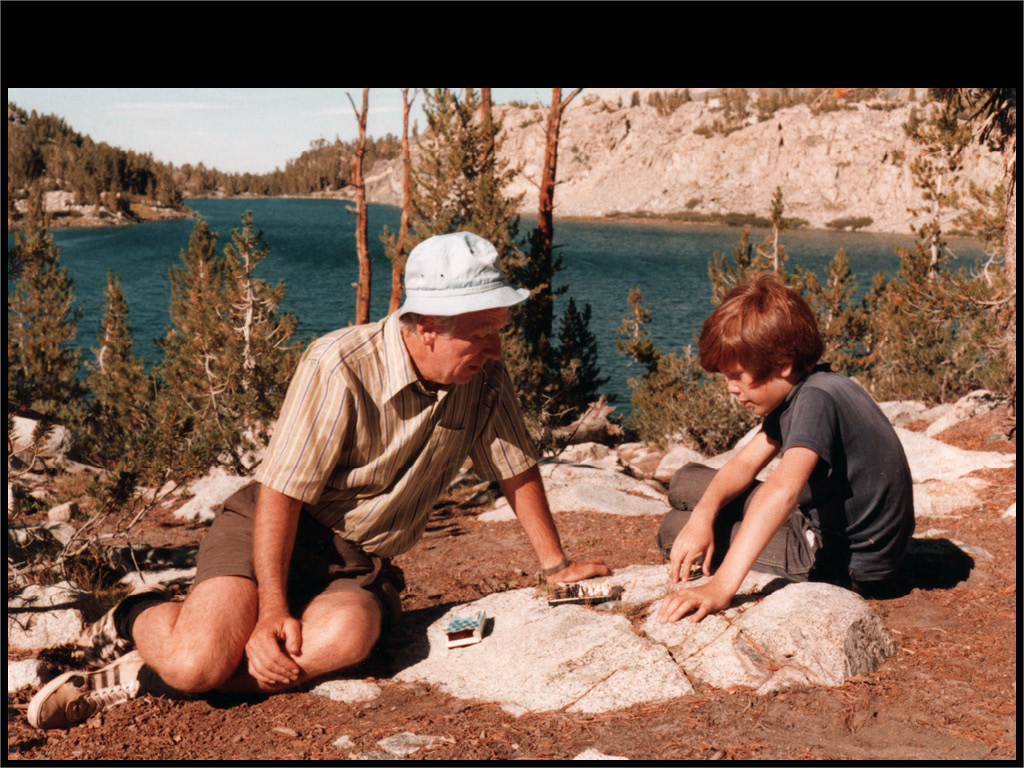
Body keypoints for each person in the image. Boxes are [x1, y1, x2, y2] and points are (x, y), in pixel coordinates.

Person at [29, 232, 610, 730]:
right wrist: (270, 611)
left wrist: (555, 565)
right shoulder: (339, 364)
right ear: (429, 326)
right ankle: (133, 616)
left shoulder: (483, 376)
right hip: (273, 527)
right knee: (196, 663)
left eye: (498, 330)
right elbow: (282, 494)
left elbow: (514, 466)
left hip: (359, 562)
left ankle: (139, 677)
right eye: (482, 332)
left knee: (346, 641)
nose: (496, 348)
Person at [656, 273, 914, 625]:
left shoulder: (814, 401)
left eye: (736, 375)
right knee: (686, 481)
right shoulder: (812, 386)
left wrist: (720, 587)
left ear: (783, 365)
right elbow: (745, 464)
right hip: (836, 532)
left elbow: (783, 489)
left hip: (844, 560)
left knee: (672, 529)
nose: (731, 388)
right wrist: (703, 517)